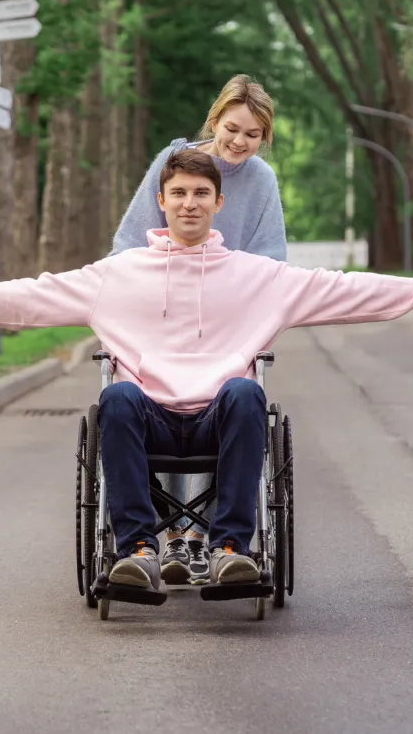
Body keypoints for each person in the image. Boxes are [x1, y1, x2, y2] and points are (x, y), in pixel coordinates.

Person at [0, 148, 413, 595]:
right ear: (161, 201)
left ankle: (230, 548)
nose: (190, 203)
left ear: (219, 203)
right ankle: (137, 551)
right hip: (147, 418)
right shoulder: (118, 275)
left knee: (246, 392)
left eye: (201, 194)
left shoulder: (258, 277)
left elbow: (342, 289)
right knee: (116, 398)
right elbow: (34, 295)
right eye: (178, 193)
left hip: (218, 419)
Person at [111, 74, 284, 585]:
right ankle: (166, 535)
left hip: (229, 310)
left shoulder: (262, 181)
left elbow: (272, 257)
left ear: (264, 137)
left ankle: (207, 538)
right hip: (163, 304)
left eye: (252, 134)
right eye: (232, 128)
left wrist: (243, 298)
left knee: (227, 391)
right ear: (214, 121)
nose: (240, 142)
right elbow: (128, 243)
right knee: (155, 390)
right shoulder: (174, 165)